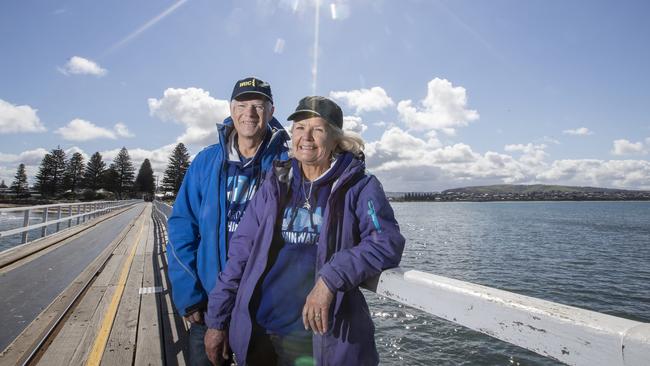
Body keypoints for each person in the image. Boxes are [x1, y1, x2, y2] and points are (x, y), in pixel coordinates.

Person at [204, 96, 405, 365]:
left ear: (336, 139)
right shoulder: (276, 182)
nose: (306, 137)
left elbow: (385, 242)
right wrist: (217, 320)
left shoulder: (359, 185)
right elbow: (241, 251)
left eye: (318, 129)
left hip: (316, 339)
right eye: (299, 128)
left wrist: (331, 278)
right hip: (259, 332)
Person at [166, 77, 290, 365]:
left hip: (266, 311)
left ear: (271, 112)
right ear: (231, 110)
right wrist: (190, 295)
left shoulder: (289, 163)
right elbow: (182, 227)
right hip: (209, 305)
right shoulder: (206, 161)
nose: (250, 113)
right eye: (243, 105)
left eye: (258, 106)